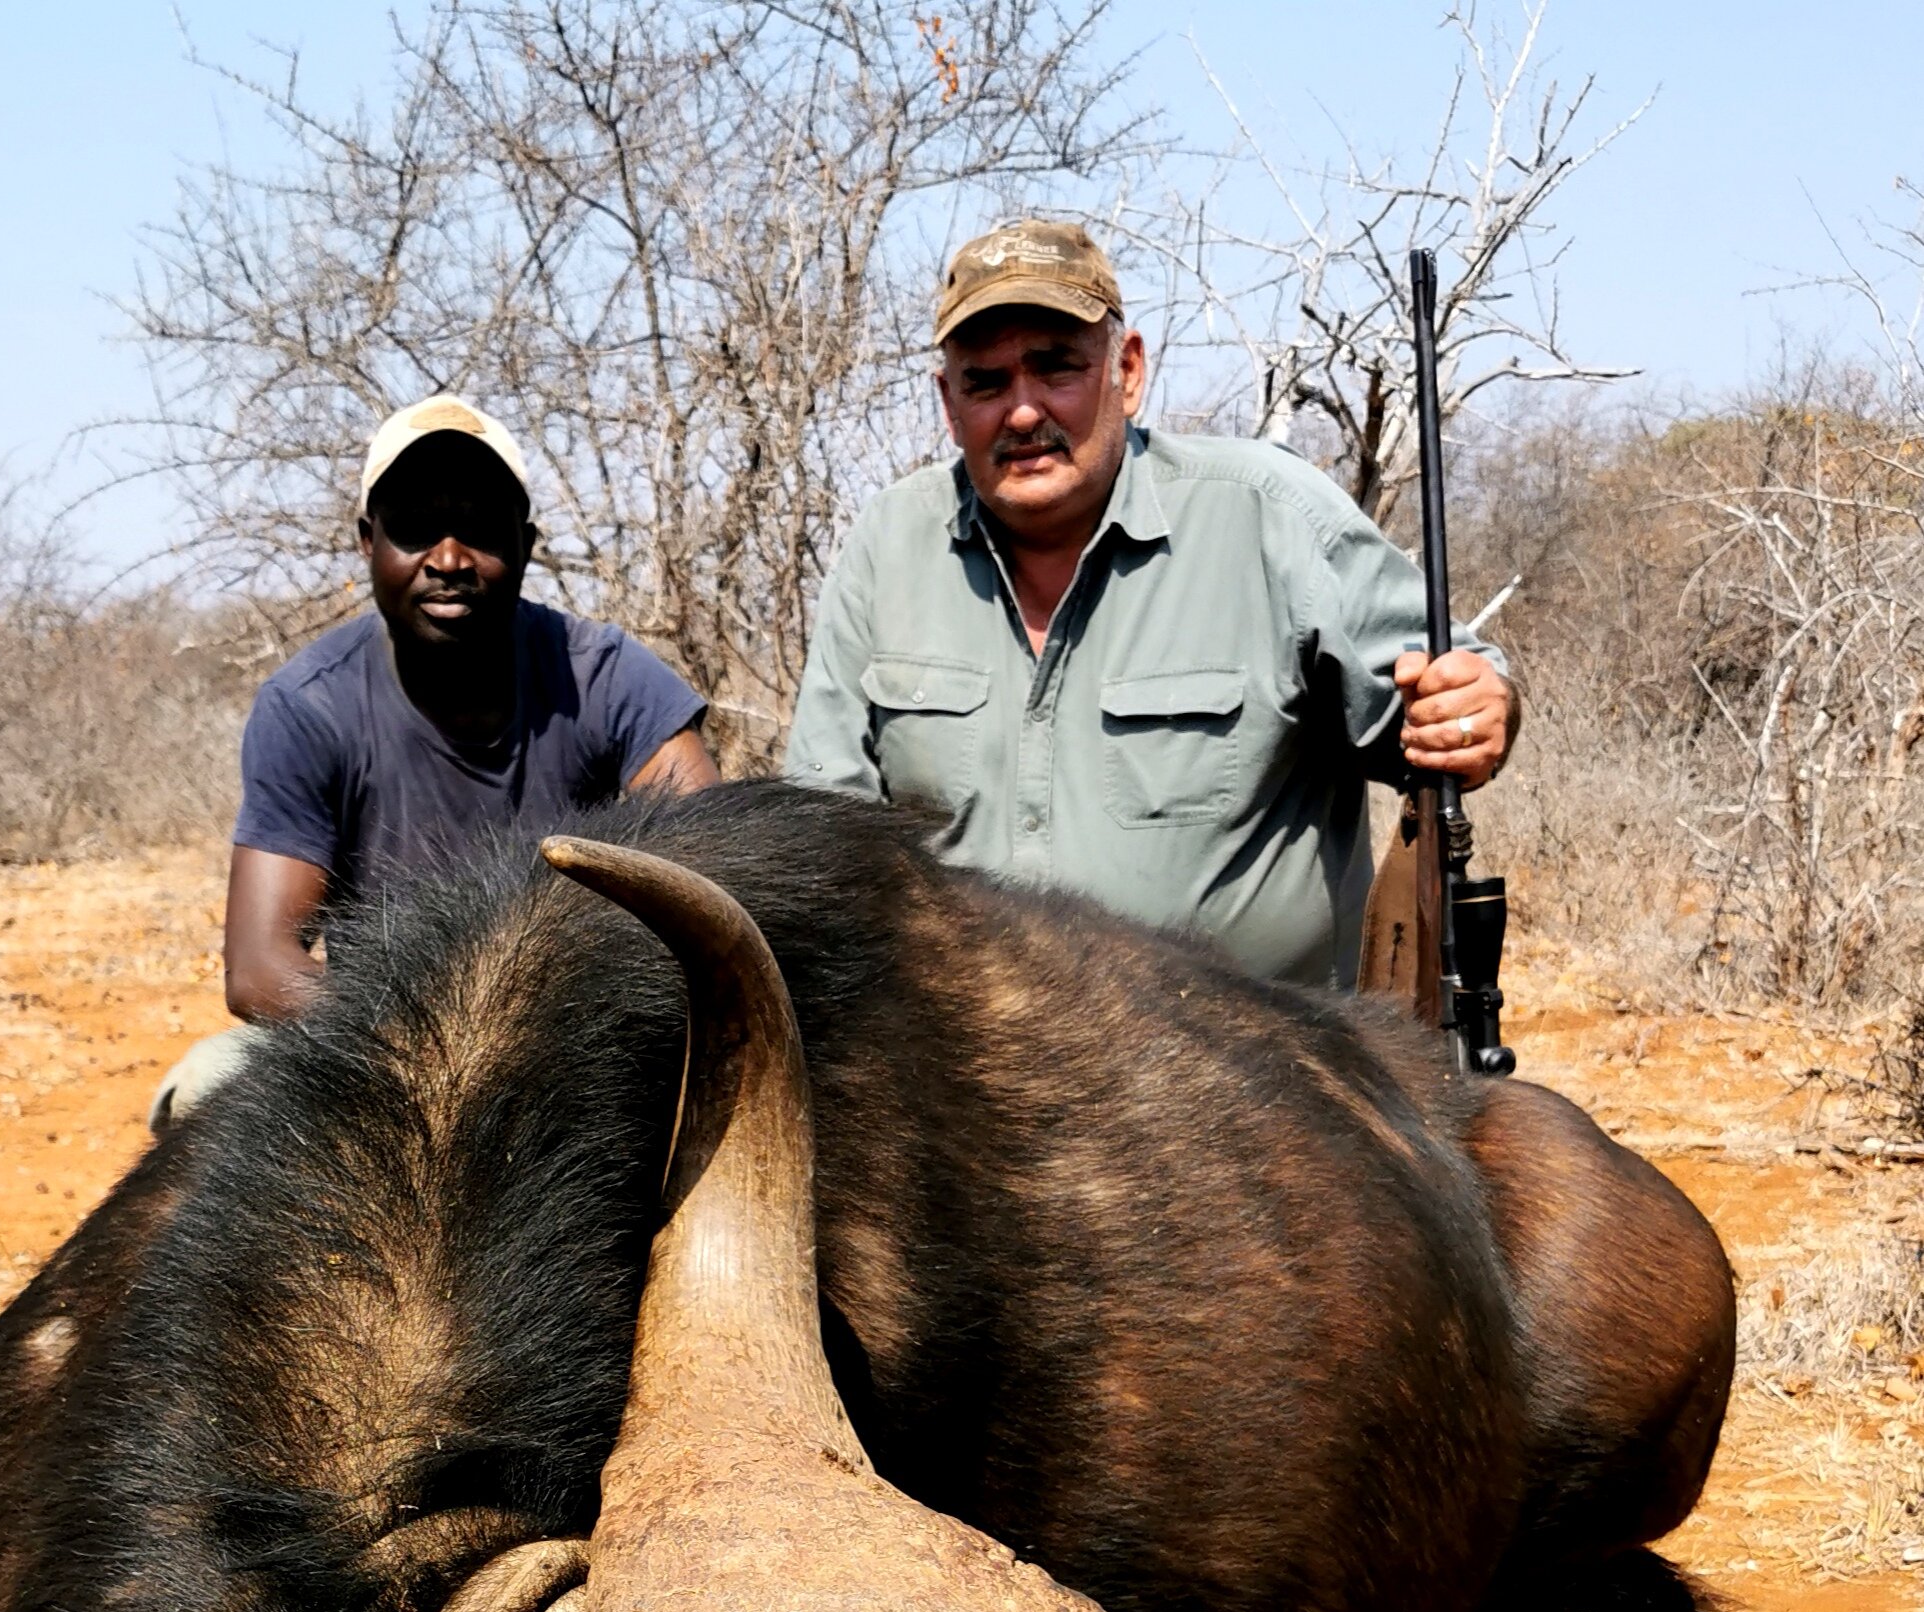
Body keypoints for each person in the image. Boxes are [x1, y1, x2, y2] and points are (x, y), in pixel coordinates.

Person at [785, 218, 1518, 992]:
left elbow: (1455, 698)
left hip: (1259, 1083)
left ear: (1127, 372)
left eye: (1056, 368)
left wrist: (1474, 709)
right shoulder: (888, 546)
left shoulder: (1270, 518)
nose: (1023, 411)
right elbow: (819, 839)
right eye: (987, 382)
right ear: (948, 401)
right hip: (968, 1085)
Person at [155, 394, 718, 1123]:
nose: (448, 560)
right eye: (416, 529)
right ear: (368, 542)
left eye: (480, 530)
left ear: (526, 542)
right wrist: (439, 1036)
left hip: (584, 1043)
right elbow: (259, 969)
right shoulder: (309, 705)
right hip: (381, 1047)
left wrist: (551, 1027)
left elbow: (709, 892)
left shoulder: (608, 677)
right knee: (202, 1091)